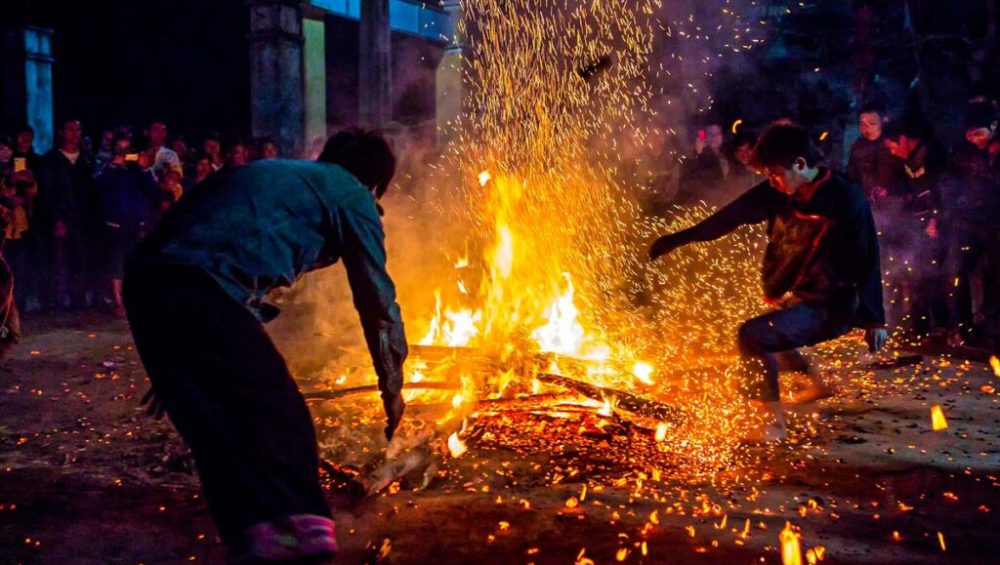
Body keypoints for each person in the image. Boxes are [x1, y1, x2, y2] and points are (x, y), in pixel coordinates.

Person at [123, 128, 407, 562]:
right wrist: (392, 386)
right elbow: (377, 298)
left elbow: (185, 226)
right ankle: (300, 539)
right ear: (374, 181)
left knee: (217, 430)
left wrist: (176, 356)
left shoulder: (273, 173)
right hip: (199, 287)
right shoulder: (350, 192)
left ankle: (256, 541)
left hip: (149, 284)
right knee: (282, 415)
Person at [649, 124, 888, 442]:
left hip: (837, 304)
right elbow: (730, 216)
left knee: (753, 336)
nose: (772, 183)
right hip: (806, 295)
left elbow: (867, 256)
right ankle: (817, 385)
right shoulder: (779, 193)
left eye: (775, 174)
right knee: (776, 329)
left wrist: (874, 319)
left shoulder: (845, 198)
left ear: (800, 165)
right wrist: (679, 239)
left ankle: (772, 426)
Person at [882, 117, 950, 335]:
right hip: (918, 223)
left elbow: (946, 194)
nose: (892, 151)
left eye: (892, 146)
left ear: (903, 139)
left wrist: (935, 219)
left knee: (935, 275)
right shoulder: (908, 160)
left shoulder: (934, 158)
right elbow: (909, 186)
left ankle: (946, 326)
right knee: (916, 273)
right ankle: (920, 327)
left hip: (941, 224)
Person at [945, 102, 1000, 346]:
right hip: (968, 222)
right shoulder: (964, 152)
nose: (973, 139)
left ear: (994, 126)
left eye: (978, 133)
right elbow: (949, 182)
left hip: (996, 225)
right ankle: (962, 328)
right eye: (969, 134)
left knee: (996, 278)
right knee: (958, 272)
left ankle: (990, 330)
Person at [37, 119, 98, 310]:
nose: (75, 133)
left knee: (80, 258)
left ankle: (78, 298)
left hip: (83, 218)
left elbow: (92, 190)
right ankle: (55, 299)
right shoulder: (51, 159)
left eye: (78, 129)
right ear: (62, 133)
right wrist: (57, 218)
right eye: (70, 129)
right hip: (60, 217)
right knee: (57, 259)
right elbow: (47, 192)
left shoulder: (87, 159)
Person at [93, 135, 158, 316]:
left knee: (135, 263)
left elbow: (153, 190)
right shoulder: (107, 168)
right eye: (119, 149)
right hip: (115, 225)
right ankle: (118, 302)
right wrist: (114, 164)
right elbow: (97, 184)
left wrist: (145, 169)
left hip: (137, 224)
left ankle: (136, 300)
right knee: (116, 263)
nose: (124, 153)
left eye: (127, 149)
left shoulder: (139, 170)